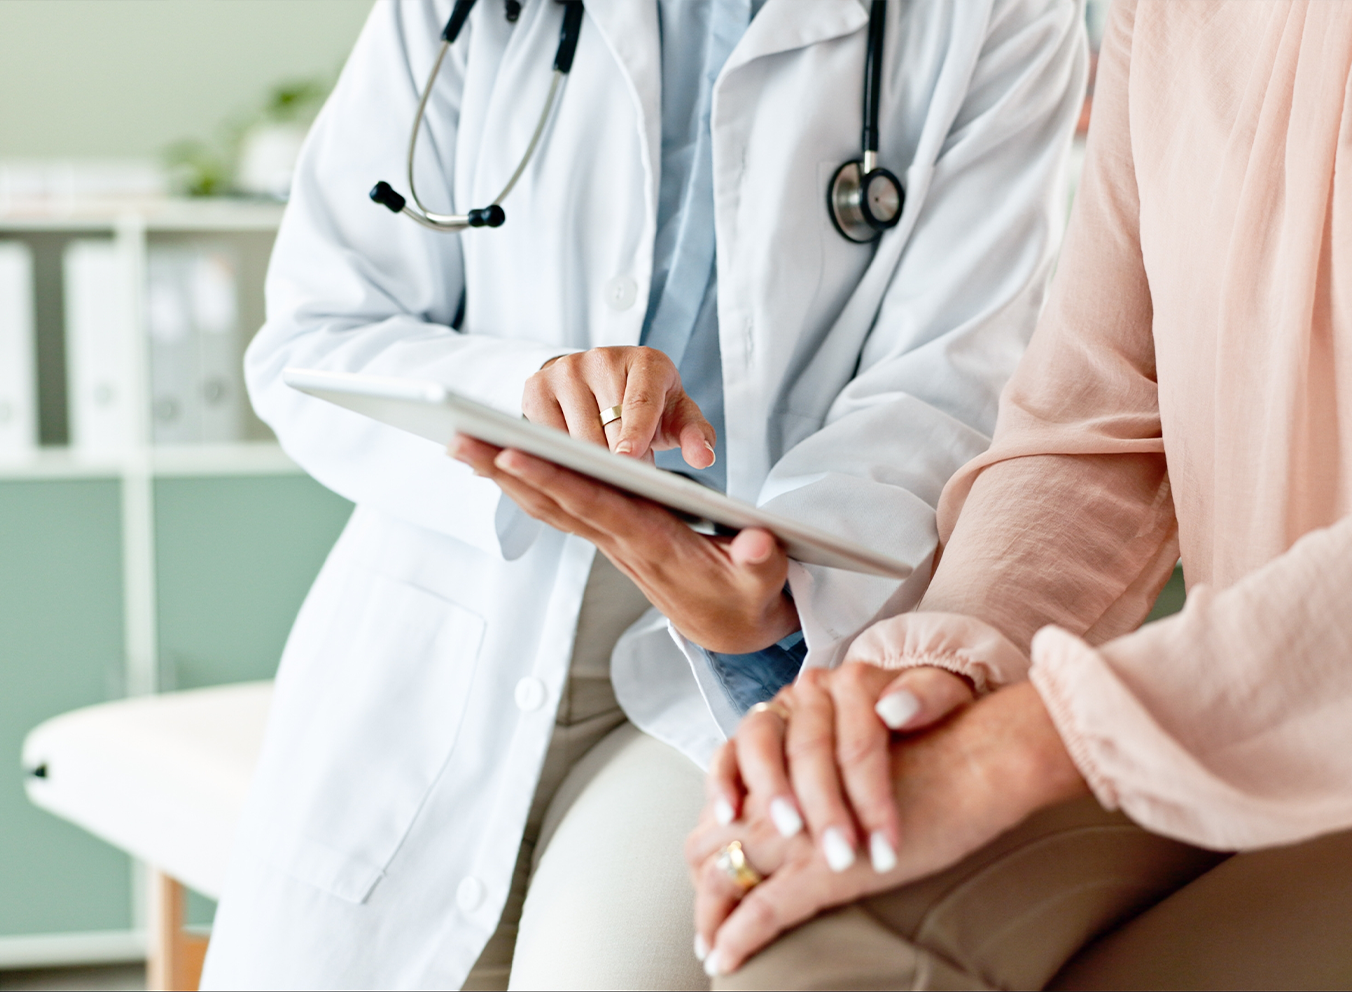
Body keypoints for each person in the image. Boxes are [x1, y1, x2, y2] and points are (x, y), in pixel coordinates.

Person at [199, 0, 1087, 988]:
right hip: (458, 616)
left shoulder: (995, 17)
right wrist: (531, 395)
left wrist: (769, 593)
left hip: (745, 655)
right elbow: (313, 336)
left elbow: (946, 385)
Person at [686, 1, 1352, 987]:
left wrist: (1031, 742)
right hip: (1213, 718)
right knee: (816, 944)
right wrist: (913, 685)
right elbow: (1093, 421)